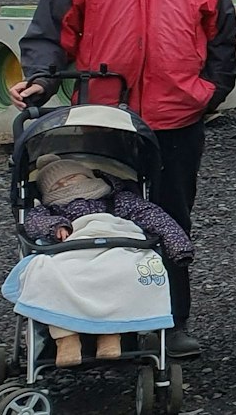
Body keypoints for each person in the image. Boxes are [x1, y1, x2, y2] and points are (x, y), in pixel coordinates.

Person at [16, 0, 236, 357]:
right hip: (103, 121)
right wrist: (41, 78)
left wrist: (207, 93)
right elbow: (50, 28)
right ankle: (89, 321)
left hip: (176, 119)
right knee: (95, 219)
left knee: (171, 219)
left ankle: (170, 322)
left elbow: (223, 39)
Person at [15, 156, 193, 368]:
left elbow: (154, 216)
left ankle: (111, 334)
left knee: (127, 270)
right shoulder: (50, 209)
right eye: (58, 185)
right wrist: (54, 227)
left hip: (115, 245)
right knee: (47, 273)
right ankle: (66, 339)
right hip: (71, 250)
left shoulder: (117, 199)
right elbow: (34, 223)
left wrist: (178, 245)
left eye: (73, 177)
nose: (67, 184)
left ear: (89, 176)